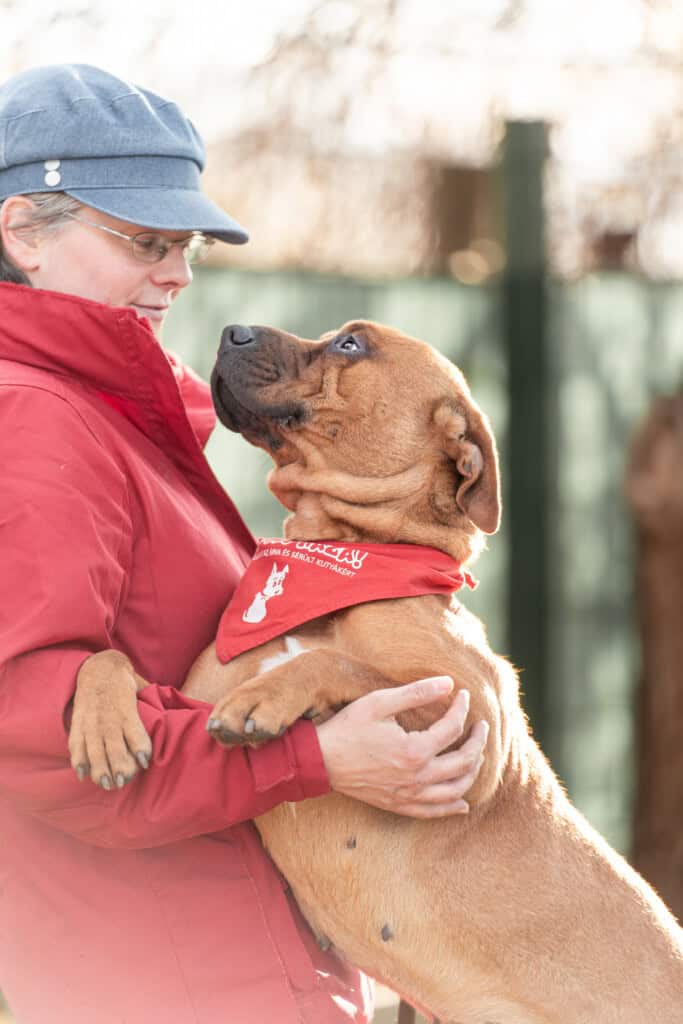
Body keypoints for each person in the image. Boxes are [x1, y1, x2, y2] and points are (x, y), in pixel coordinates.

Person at [0, 65, 487, 1024]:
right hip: (174, 980)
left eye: (185, 247)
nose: (177, 274)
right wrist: (317, 759)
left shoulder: (111, 416)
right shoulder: (36, 417)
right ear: (22, 231)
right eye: (145, 242)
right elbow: (32, 727)